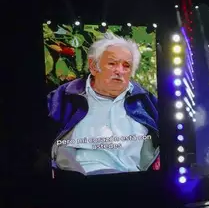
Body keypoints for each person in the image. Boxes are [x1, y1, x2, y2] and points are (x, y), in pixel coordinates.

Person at [47, 32, 160, 176]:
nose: (119, 71)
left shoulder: (146, 100)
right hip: (81, 184)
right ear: (93, 67)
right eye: (112, 63)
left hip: (136, 182)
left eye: (126, 66)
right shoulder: (64, 97)